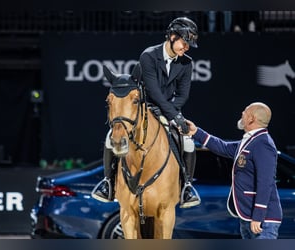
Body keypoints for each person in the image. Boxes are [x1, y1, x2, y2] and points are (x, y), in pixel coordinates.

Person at [92, 16, 201, 209]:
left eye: (188, 45)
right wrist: (173, 115)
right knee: (112, 137)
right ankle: (108, 183)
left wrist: (172, 113)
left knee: (188, 142)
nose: (187, 48)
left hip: (169, 110)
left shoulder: (186, 63)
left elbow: (183, 95)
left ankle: (187, 187)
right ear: (172, 36)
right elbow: (153, 92)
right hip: (145, 108)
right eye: (184, 43)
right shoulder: (149, 56)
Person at [186, 102, 282, 239]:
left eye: (245, 112)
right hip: (247, 216)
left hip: (262, 221)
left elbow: (265, 182)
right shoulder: (251, 140)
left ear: (251, 119)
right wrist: (196, 132)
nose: (242, 114)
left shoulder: (263, 143)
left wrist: (258, 215)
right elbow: (223, 147)